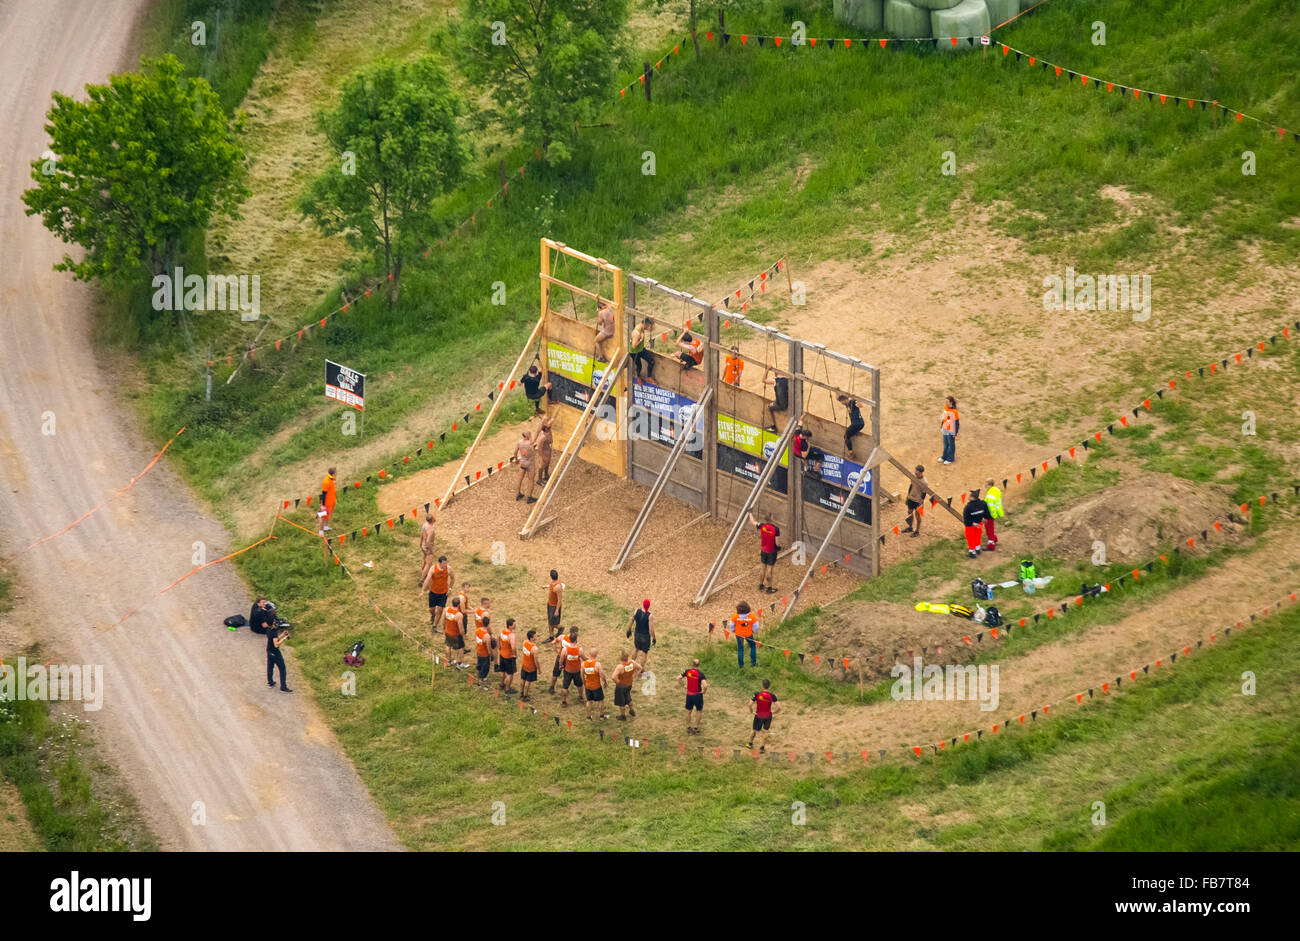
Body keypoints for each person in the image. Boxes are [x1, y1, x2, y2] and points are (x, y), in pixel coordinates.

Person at [420, 555, 454, 636]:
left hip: (443, 593)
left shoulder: (449, 569)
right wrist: (422, 591)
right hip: (433, 592)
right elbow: (427, 579)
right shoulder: (433, 569)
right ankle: (433, 615)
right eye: (443, 564)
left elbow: (453, 578)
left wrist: (450, 589)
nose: (445, 565)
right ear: (439, 563)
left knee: (440, 609)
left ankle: (434, 626)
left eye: (446, 563)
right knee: (431, 609)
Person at [747, 510, 779, 594]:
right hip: (772, 551)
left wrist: (749, 512)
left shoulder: (762, 526)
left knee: (763, 568)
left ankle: (761, 585)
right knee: (769, 570)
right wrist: (778, 547)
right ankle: (769, 588)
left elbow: (753, 522)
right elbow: (777, 542)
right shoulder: (776, 529)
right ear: (771, 518)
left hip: (764, 550)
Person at [747, 679, 779, 753]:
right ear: (769, 686)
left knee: (754, 730)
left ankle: (750, 744)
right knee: (765, 731)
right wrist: (774, 712)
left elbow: (750, 704)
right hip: (768, 716)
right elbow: (779, 707)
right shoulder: (772, 695)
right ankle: (762, 748)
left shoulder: (757, 694)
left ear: (762, 686)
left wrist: (752, 711)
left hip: (759, 715)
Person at [556, 628, 584, 706]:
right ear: (576, 640)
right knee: (579, 685)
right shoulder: (579, 649)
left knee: (565, 687)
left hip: (568, 671)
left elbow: (561, 660)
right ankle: (581, 697)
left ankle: (564, 702)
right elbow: (584, 658)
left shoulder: (565, 650)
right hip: (577, 670)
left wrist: (560, 666)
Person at [679, 659, 707, 735]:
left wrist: (683, 685)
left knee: (688, 711)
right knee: (699, 711)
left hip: (689, 695)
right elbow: (705, 685)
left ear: (692, 664)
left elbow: (678, 677)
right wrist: (704, 692)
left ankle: (688, 727)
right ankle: (696, 728)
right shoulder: (701, 674)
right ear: (698, 665)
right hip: (698, 695)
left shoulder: (688, 672)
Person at [611, 652, 641, 721]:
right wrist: (635, 676)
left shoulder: (620, 666)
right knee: (628, 696)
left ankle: (623, 716)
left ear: (621, 658)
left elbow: (613, 677)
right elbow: (640, 668)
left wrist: (618, 682)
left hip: (621, 686)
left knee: (621, 701)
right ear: (627, 657)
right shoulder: (632, 663)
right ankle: (632, 710)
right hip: (629, 684)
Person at [730, 600, 759, 669]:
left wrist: (733, 630)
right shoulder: (751, 616)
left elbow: (731, 624)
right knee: (753, 646)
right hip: (749, 634)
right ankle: (753, 663)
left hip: (739, 634)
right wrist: (754, 631)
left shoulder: (735, 616)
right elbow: (756, 626)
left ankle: (741, 666)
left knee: (740, 649)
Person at [626, 599, 656, 665]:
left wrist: (629, 629)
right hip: (645, 636)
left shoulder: (637, 611)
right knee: (644, 654)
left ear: (643, 604)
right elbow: (651, 630)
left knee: (636, 649)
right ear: (649, 606)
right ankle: (641, 670)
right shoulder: (650, 616)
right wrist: (654, 638)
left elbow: (632, 620)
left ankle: (630, 665)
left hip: (637, 634)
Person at [963, 488, 990, 558]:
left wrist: (972, 523)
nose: (968, 497)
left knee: (970, 538)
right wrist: (985, 518)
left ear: (972, 497)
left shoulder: (968, 507)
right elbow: (987, 512)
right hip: (979, 523)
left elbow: (966, 518)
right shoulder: (983, 503)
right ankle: (978, 549)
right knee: (978, 536)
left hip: (971, 525)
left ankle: (972, 552)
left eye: (969, 496)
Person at [761, 366, 790, 432]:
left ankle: (773, 426)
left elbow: (763, 380)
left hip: (781, 404)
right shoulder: (788, 380)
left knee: (768, 407)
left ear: (775, 375)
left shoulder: (775, 381)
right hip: (789, 402)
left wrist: (767, 369)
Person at [266, 619, 291, 692]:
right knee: (282, 668)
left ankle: (270, 682)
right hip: (275, 652)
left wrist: (282, 634)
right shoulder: (274, 632)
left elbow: (275, 638)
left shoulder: (268, 629)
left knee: (270, 666)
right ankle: (283, 687)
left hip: (269, 650)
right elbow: (276, 644)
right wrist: (284, 638)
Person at [581, 649, 607, 720]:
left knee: (589, 701)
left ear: (589, 654)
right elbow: (602, 675)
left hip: (588, 686)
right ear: (596, 655)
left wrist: (584, 683)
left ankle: (588, 717)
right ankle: (601, 716)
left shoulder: (583, 664)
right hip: (596, 686)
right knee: (600, 701)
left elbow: (582, 675)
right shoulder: (597, 664)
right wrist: (605, 682)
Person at [837, 394, 865, 459]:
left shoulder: (852, 402)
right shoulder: (847, 404)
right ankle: (851, 452)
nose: (841, 403)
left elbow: (860, 405)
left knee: (846, 436)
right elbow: (837, 398)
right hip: (861, 423)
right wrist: (836, 391)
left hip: (856, 423)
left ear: (844, 400)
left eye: (841, 401)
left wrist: (856, 400)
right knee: (850, 434)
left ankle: (851, 453)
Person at [904, 465, 927, 537]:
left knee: (918, 515)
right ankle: (910, 527)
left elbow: (924, 493)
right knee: (909, 513)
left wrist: (921, 502)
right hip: (911, 498)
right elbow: (911, 485)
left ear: (921, 472)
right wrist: (909, 495)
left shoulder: (924, 482)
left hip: (918, 501)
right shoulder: (913, 477)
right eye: (915, 470)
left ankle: (917, 531)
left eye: (917, 471)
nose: (915, 472)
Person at [514, 430, 537, 503]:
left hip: (522, 462)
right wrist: (531, 438)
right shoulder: (530, 443)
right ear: (528, 436)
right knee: (531, 480)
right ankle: (529, 497)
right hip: (530, 463)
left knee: (520, 479)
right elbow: (533, 450)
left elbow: (515, 452)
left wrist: (516, 460)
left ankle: (518, 494)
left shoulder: (519, 442)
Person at [443, 597, 467, 666]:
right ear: (458, 605)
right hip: (456, 634)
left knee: (448, 645)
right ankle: (459, 663)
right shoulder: (459, 615)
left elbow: (443, 620)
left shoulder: (446, 609)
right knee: (461, 647)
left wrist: (444, 628)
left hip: (447, 631)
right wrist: (463, 635)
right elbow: (461, 627)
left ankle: (448, 660)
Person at [630, 317, 656, 382]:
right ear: (646, 324)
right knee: (639, 366)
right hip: (635, 352)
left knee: (651, 361)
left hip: (641, 349)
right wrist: (641, 339)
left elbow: (649, 319)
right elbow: (633, 345)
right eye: (649, 326)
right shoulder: (637, 333)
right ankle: (638, 377)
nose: (649, 328)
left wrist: (652, 318)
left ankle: (649, 377)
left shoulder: (642, 326)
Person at [497, 618, 518, 694]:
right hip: (509, 657)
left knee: (502, 671)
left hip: (502, 654)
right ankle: (508, 689)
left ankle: (501, 684)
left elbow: (498, 638)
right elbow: (513, 647)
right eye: (514, 625)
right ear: (510, 626)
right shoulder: (511, 635)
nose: (515, 626)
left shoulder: (502, 631)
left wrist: (499, 647)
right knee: (510, 673)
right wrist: (514, 654)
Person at [474, 614, 495, 687]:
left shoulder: (478, 630)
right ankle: (481, 682)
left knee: (479, 667)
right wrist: (491, 655)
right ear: (488, 623)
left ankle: (479, 679)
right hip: (484, 654)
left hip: (479, 651)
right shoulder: (486, 636)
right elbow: (488, 649)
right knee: (484, 669)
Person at [519, 629, 540, 701]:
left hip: (524, 664)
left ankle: (521, 692)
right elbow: (536, 660)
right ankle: (525, 696)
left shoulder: (524, 642)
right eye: (535, 636)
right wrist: (539, 669)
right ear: (531, 638)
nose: (536, 637)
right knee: (528, 681)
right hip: (531, 667)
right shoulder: (534, 648)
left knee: (523, 679)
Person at [534, 416, 554, 487]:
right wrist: (542, 456)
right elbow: (539, 447)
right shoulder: (542, 437)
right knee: (542, 465)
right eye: (548, 428)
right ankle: (539, 480)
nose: (550, 429)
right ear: (545, 429)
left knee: (547, 463)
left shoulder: (547, 433)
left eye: (550, 427)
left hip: (548, 450)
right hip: (544, 452)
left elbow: (551, 441)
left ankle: (546, 475)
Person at [418, 512, 437, 586]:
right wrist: (431, 550)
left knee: (424, 559)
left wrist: (420, 543)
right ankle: (422, 580)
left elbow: (422, 534)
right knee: (428, 564)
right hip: (427, 547)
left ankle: (423, 573)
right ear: (432, 520)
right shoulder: (431, 529)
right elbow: (428, 541)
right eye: (434, 517)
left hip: (423, 546)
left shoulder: (425, 524)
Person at [544, 570, 564, 642]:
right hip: (550, 604)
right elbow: (551, 586)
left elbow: (559, 600)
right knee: (550, 621)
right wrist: (546, 586)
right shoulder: (553, 583)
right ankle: (551, 636)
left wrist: (556, 610)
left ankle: (560, 628)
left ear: (551, 576)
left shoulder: (558, 587)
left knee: (552, 622)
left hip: (554, 606)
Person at [983, 477, 1003, 549]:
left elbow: (989, 506)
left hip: (989, 514)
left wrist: (986, 515)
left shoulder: (989, 494)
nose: (984, 485)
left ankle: (991, 544)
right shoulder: (996, 490)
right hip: (995, 512)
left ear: (989, 484)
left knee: (989, 529)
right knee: (991, 528)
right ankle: (994, 538)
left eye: (985, 483)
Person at [940, 396, 959, 465]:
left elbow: (957, 423)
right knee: (945, 444)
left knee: (951, 444)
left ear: (950, 402)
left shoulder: (954, 411)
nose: (945, 403)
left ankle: (951, 458)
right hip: (945, 428)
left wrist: (955, 432)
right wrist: (941, 426)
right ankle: (944, 456)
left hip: (951, 430)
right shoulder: (946, 407)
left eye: (947, 401)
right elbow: (944, 417)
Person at [318, 467, 338, 534]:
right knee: (323, 517)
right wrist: (323, 505)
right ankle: (320, 531)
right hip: (326, 503)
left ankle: (325, 527)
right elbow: (323, 494)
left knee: (328, 515)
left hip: (331, 501)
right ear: (333, 473)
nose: (337, 473)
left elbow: (333, 482)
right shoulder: (326, 482)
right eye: (336, 472)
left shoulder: (331, 479)